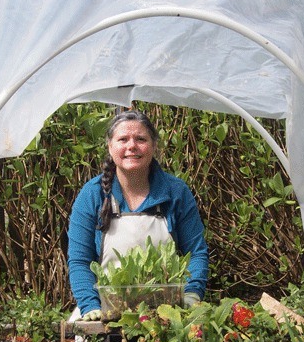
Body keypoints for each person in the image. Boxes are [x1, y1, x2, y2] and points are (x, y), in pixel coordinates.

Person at [67, 109, 208, 320]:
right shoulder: (92, 195)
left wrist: (191, 294)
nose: (131, 146)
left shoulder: (176, 192)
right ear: (110, 146)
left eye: (140, 139)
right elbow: (79, 260)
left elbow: (196, 252)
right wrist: (90, 305)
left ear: (153, 146)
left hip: (166, 314)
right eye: (123, 139)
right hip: (104, 313)